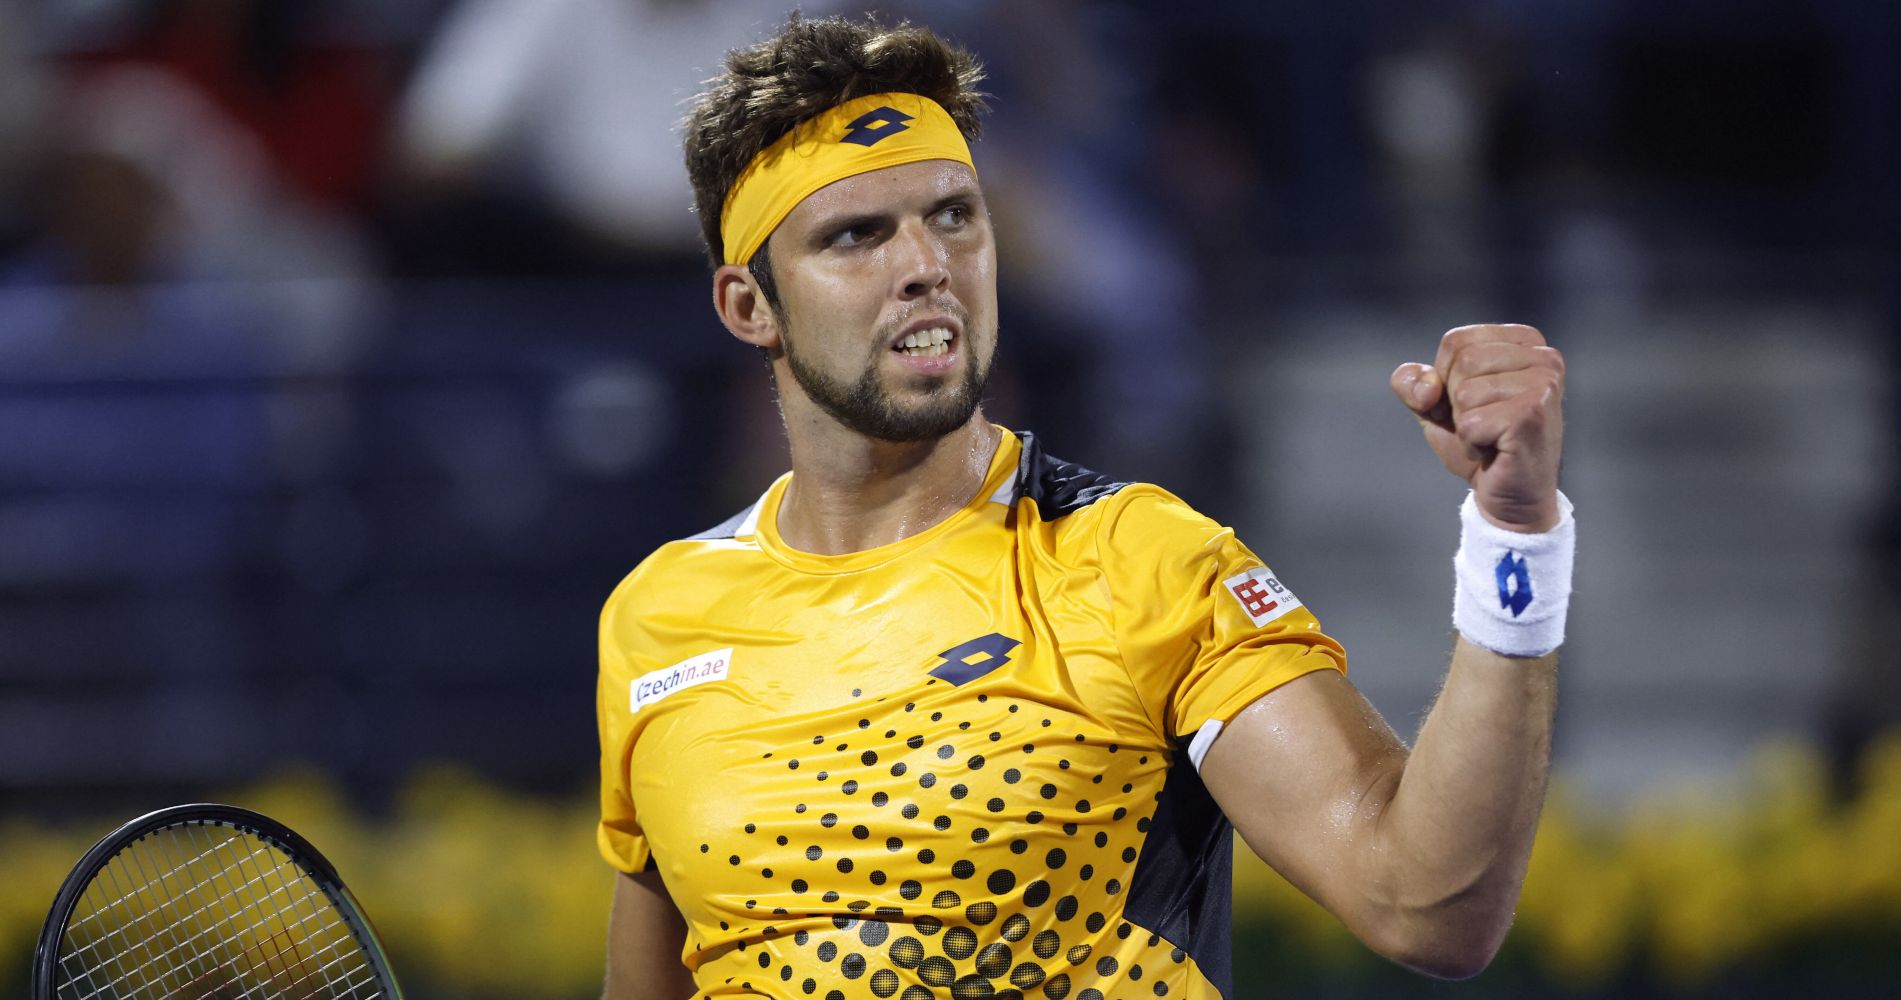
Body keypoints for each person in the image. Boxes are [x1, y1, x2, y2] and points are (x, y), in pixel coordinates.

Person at [596, 14, 1571, 1000]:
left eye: (953, 215)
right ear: (746, 305)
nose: (924, 264)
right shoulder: (656, 616)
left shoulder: (1141, 559)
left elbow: (1426, 902)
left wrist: (1514, 530)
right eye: (856, 236)